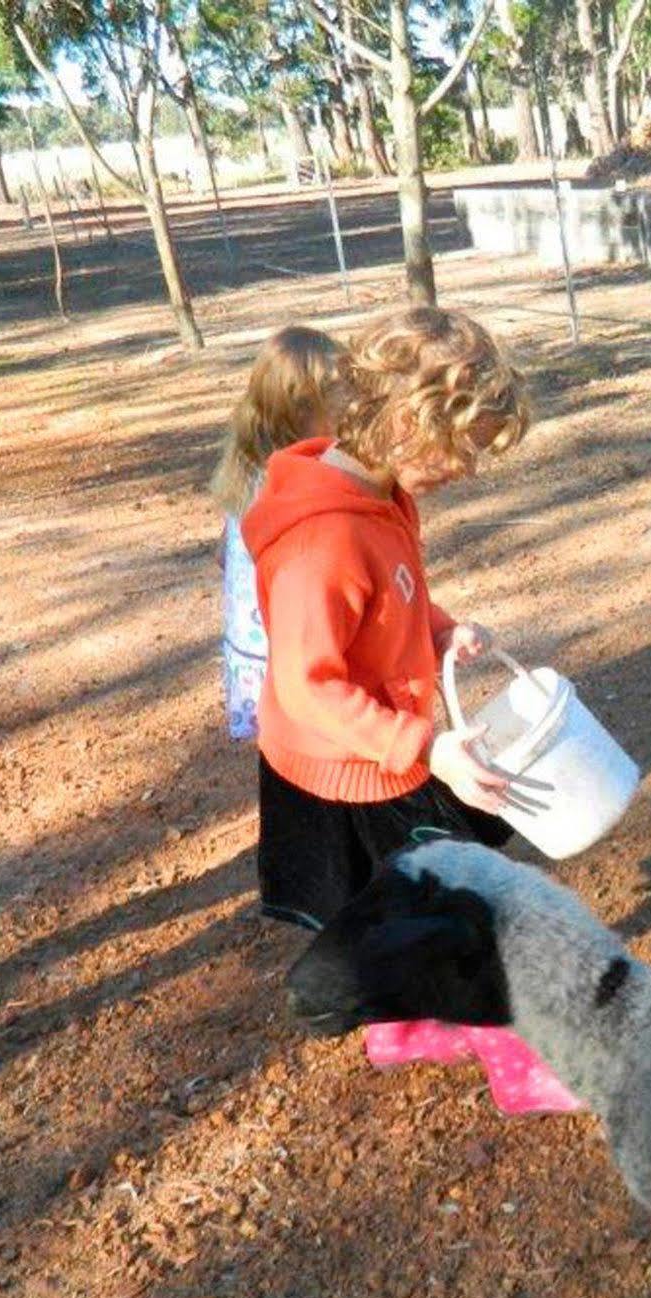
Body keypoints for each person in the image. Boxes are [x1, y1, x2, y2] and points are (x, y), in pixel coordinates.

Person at [242, 305, 524, 933]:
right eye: (462, 449)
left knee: (423, 916)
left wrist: (439, 627)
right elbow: (308, 683)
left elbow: (394, 595)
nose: (468, 470)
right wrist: (424, 746)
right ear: (405, 422)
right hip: (350, 774)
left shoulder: (382, 499)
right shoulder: (324, 541)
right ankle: (406, 1029)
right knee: (409, 926)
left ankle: (419, 1019)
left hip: (388, 747)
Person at [208, 326, 345, 743]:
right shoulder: (287, 481)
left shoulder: (247, 460)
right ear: (301, 410)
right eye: (339, 397)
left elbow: (223, 551)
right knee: (301, 739)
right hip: (279, 647)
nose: (350, 405)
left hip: (252, 643)